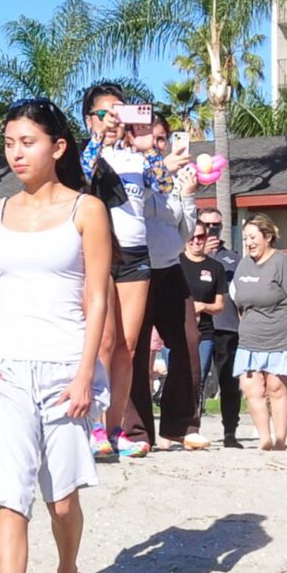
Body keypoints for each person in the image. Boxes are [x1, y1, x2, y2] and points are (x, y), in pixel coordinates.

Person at [0, 97, 111, 573]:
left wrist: (83, 375)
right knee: (10, 496)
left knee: (63, 500)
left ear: (58, 147)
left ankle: (68, 571)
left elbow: (96, 298)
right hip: (5, 366)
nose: (16, 153)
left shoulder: (85, 210)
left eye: (27, 142)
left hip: (64, 363)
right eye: (9, 143)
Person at [78, 84, 193, 459]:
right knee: (105, 342)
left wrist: (149, 148)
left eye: (119, 113)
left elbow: (163, 183)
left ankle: (116, 429)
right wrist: (99, 135)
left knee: (128, 347)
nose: (113, 120)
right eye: (104, 113)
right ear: (89, 118)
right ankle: (93, 425)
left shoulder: (137, 158)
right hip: (101, 252)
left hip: (137, 254)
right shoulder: (88, 152)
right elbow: (86, 170)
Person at [140, 113, 202, 450]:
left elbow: (186, 233)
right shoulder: (134, 171)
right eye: (151, 136)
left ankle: (179, 425)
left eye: (163, 138)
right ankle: (137, 430)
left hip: (169, 266)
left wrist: (189, 197)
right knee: (135, 350)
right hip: (136, 269)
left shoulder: (174, 182)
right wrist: (161, 167)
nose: (158, 143)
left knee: (188, 339)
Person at [230, 214, 287, 451]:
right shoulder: (244, 264)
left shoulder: (283, 263)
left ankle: (281, 439)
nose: (249, 243)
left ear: (268, 237)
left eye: (253, 237)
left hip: (280, 336)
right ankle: (265, 437)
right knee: (252, 388)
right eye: (245, 239)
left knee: (276, 388)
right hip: (250, 337)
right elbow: (241, 303)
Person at [197, 207, 246, 446]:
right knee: (196, 379)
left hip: (228, 327)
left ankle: (230, 433)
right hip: (200, 326)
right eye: (206, 225)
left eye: (216, 225)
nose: (211, 229)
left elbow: (243, 294)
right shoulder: (189, 255)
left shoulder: (233, 258)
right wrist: (203, 253)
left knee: (230, 382)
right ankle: (191, 428)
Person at [180, 229, 228, 433]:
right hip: (177, 330)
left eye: (201, 237)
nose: (196, 241)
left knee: (197, 379)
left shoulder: (215, 267)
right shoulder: (176, 263)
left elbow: (219, 306)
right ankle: (172, 427)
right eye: (192, 237)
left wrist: (201, 306)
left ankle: (192, 427)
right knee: (178, 378)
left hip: (205, 332)